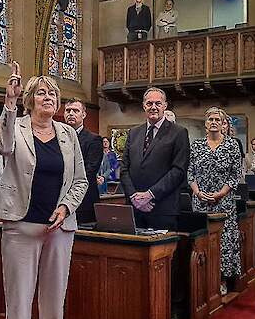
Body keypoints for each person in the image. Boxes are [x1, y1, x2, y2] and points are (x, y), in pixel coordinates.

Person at [0, 62, 87, 319]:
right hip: (21, 229)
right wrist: (9, 103)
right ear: (29, 99)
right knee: (18, 310)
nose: (48, 97)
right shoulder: (17, 127)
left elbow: (80, 181)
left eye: (53, 93)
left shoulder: (69, 135)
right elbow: (4, 146)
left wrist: (66, 206)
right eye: (41, 92)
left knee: (54, 312)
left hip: (58, 230)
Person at [188, 107, 243, 295]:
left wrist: (220, 193)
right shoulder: (196, 145)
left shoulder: (232, 145)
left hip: (223, 202)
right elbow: (190, 173)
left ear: (222, 123)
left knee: (223, 242)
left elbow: (235, 175)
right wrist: (197, 192)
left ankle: (221, 279)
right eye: (210, 119)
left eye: (217, 119)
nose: (213, 122)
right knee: (202, 242)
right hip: (201, 201)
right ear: (205, 123)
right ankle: (203, 280)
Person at [119, 88, 189, 230]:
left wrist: (150, 194)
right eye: (149, 103)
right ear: (144, 106)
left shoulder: (178, 132)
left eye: (158, 103)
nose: (153, 107)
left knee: (163, 253)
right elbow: (124, 168)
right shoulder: (134, 133)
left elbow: (178, 171)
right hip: (134, 208)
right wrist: (133, 196)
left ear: (165, 106)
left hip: (163, 209)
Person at [63, 98, 103, 224]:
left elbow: (90, 170)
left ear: (84, 114)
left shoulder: (94, 139)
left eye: (75, 110)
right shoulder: (57, 137)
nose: (71, 114)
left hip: (83, 200)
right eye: (68, 110)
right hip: (59, 199)